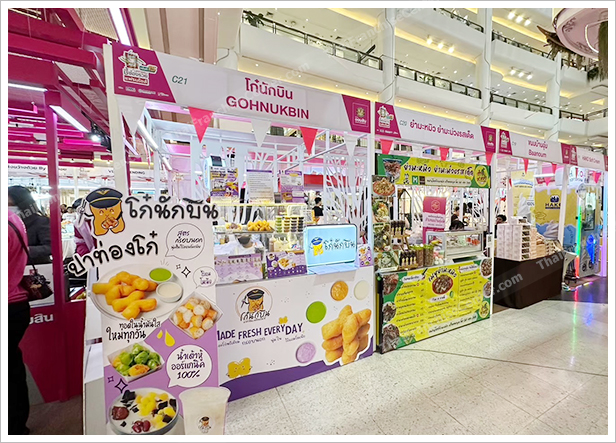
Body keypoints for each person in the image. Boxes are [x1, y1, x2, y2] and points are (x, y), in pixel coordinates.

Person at [8, 209, 31, 434]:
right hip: (16, 302)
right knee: (12, 367)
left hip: (8, 303)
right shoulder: (13, 219)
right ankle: (17, 426)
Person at [8, 186, 52, 265]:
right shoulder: (9, 223)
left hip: (35, 266)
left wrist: (24, 250)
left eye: (10, 204)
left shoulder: (40, 222)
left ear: (22, 204)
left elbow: (50, 247)